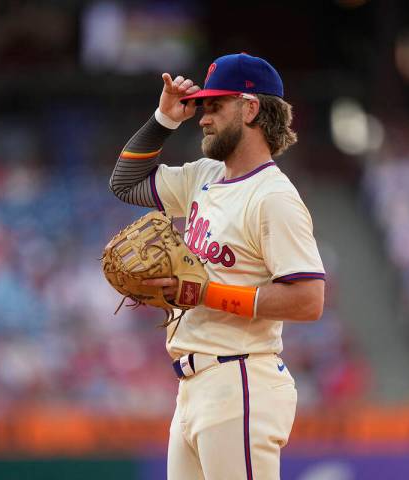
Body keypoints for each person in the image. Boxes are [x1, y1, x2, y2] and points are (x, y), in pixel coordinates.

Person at [109, 53, 325, 479]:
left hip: (240, 380)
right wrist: (163, 119)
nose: (203, 118)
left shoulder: (272, 197)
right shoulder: (203, 175)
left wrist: (206, 294)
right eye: (203, 107)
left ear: (251, 108)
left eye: (215, 105)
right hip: (193, 387)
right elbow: (125, 183)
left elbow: (308, 300)